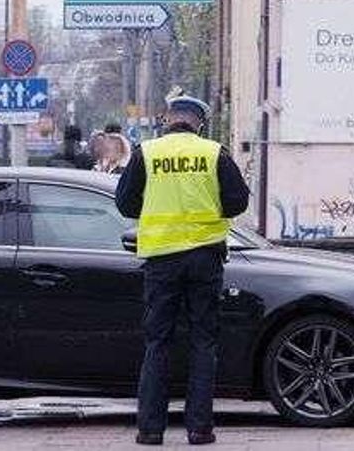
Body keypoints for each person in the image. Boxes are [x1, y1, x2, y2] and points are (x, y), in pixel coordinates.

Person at [115, 95, 250, 446]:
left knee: (157, 342)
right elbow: (238, 201)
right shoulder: (213, 152)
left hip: (161, 260)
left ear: (167, 120)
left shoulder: (147, 153)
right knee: (203, 342)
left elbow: (125, 203)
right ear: (199, 123)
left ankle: (149, 431)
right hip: (205, 259)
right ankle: (200, 429)